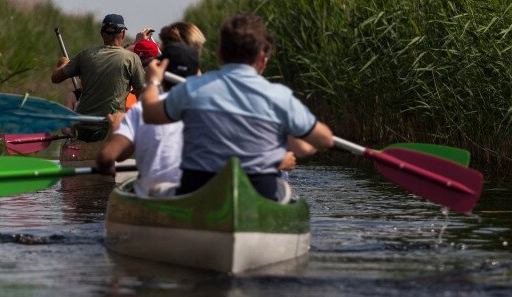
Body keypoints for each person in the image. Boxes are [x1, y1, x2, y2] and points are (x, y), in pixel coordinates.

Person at [140, 14, 334, 202]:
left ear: (220, 54)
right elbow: (324, 139)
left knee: (157, 190)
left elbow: (149, 113)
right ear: (262, 58)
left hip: (198, 194)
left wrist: (152, 82)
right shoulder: (280, 97)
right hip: (260, 195)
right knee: (286, 188)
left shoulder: (191, 88)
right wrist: (303, 148)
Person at [96, 43, 201, 196]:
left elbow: (107, 157)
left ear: (160, 72)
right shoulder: (208, 108)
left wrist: (116, 129)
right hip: (195, 194)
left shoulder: (140, 109)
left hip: (154, 197)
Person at [51, 14, 146, 141]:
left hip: (83, 127)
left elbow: (55, 78)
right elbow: (142, 97)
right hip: (112, 127)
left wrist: (62, 63)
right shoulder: (132, 58)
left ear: (102, 34)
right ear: (123, 33)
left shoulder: (85, 55)